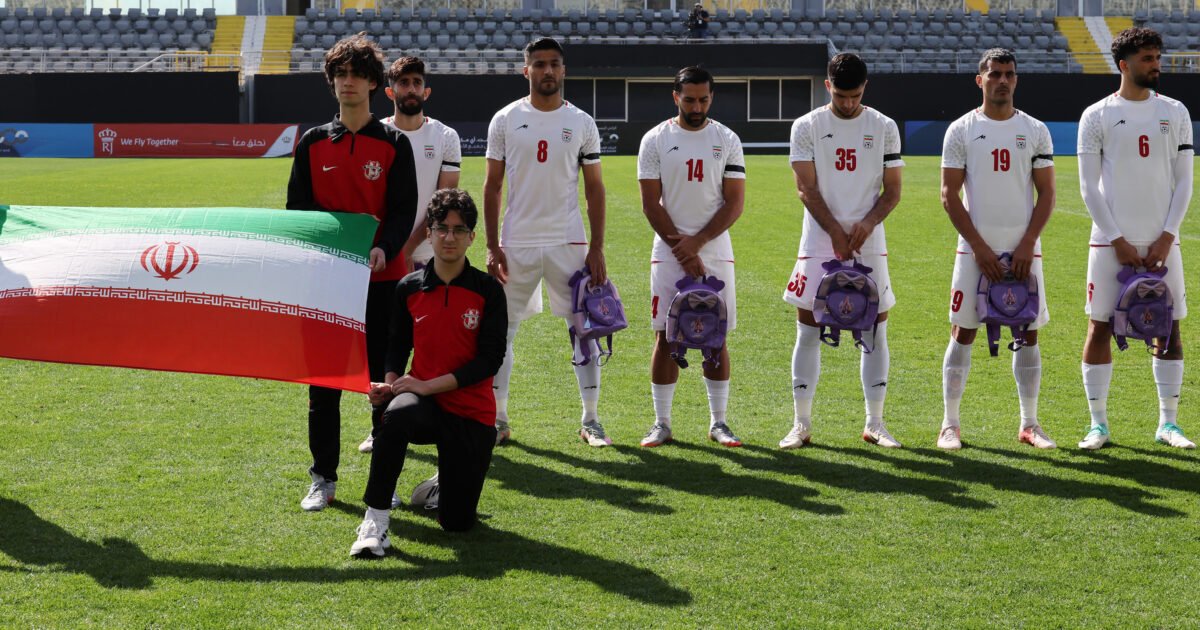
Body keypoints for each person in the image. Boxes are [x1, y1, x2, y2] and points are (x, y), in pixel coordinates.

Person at [286, 33, 419, 511]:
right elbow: (297, 210)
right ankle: (323, 477)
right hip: (327, 283)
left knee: (383, 385)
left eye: (357, 74)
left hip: (384, 283)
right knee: (324, 384)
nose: (348, 83)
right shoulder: (313, 143)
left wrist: (385, 246)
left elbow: (404, 211)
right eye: (340, 75)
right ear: (332, 82)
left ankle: (384, 484)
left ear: (371, 82)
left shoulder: (394, 143)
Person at [351, 188, 507, 558]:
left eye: (458, 229)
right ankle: (375, 520)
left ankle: (438, 487)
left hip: (472, 413)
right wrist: (389, 385)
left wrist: (426, 383)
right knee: (395, 413)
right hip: (423, 405)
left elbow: (489, 361)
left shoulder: (488, 291)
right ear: (429, 233)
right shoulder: (409, 287)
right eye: (441, 228)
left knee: (457, 523)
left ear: (471, 237)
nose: (449, 237)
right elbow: (395, 347)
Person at [483, 37, 611, 447]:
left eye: (554, 64)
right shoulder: (504, 119)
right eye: (539, 64)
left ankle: (591, 420)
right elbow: (492, 185)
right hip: (516, 241)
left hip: (568, 242)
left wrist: (597, 246)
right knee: (502, 332)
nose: (547, 71)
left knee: (584, 329)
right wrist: (491, 244)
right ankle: (499, 419)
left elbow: (595, 190)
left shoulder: (582, 122)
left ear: (564, 70)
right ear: (526, 71)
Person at [1076, 27, 1195, 450]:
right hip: (1110, 243)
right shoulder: (1097, 115)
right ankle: (1098, 424)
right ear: (1124, 65)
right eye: (1147, 58)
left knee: (1171, 326)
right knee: (1100, 326)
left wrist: (1167, 235)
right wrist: (1116, 238)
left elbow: (1185, 182)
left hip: (1164, 241)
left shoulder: (1176, 111)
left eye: (1157, 56)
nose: (1156, 64)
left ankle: (1169, 423)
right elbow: (1088, 187)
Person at [778, 52, 904, 450]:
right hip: (818, 239)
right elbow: (805, 188)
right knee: (808, 326)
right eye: (841, 95)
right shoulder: (807, 126)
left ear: (865, 88)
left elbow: (894, 190)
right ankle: (801, 424)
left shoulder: (883, 126)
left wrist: (866, 225)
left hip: (870, 240)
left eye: (855, 96)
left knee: (876, 326)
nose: (848, 103)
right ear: (827, 85)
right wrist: (834, 230)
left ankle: (876, 422)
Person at [937, 49, 1056, 450]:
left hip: (1024, 249)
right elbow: (949, 195)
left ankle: (1030, 423)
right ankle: (950, 424)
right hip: (974, 252)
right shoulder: (961, 129)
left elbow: (1048, 194)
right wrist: (979, 248)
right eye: (995, 74)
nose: (1002, 80)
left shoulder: (1036, 129)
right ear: (980, 79)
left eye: (1009, 74)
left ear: (1016, 80)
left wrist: (1027, 243)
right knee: (964, 330)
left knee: (1030, 332)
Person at [637, 66, 746, 448]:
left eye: (703, 99)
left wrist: (696, 244)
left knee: (715, 335)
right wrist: (680, 248)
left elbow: (735, 203)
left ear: (711, 98)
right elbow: (650, 203)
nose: (696, 106)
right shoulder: (655, 139)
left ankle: (719, 422)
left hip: (714, 249)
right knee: (666, 335)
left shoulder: (727, 139)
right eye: (689, 99)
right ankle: (662, 423)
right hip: (668, 252)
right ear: (675, 97)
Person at [358, 55, 462, 455]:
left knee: (436, 344)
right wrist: (389, 248)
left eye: (417, 82)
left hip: (430, 256)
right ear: (389, 91)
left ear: (426, 90)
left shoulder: (446, 136)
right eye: (403, 83)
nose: (411, 89)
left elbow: (443, 201)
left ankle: (438, 423)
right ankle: (381, 424)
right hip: (385, 257)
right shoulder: (376, 133)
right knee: (386, 345)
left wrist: (406, 245)